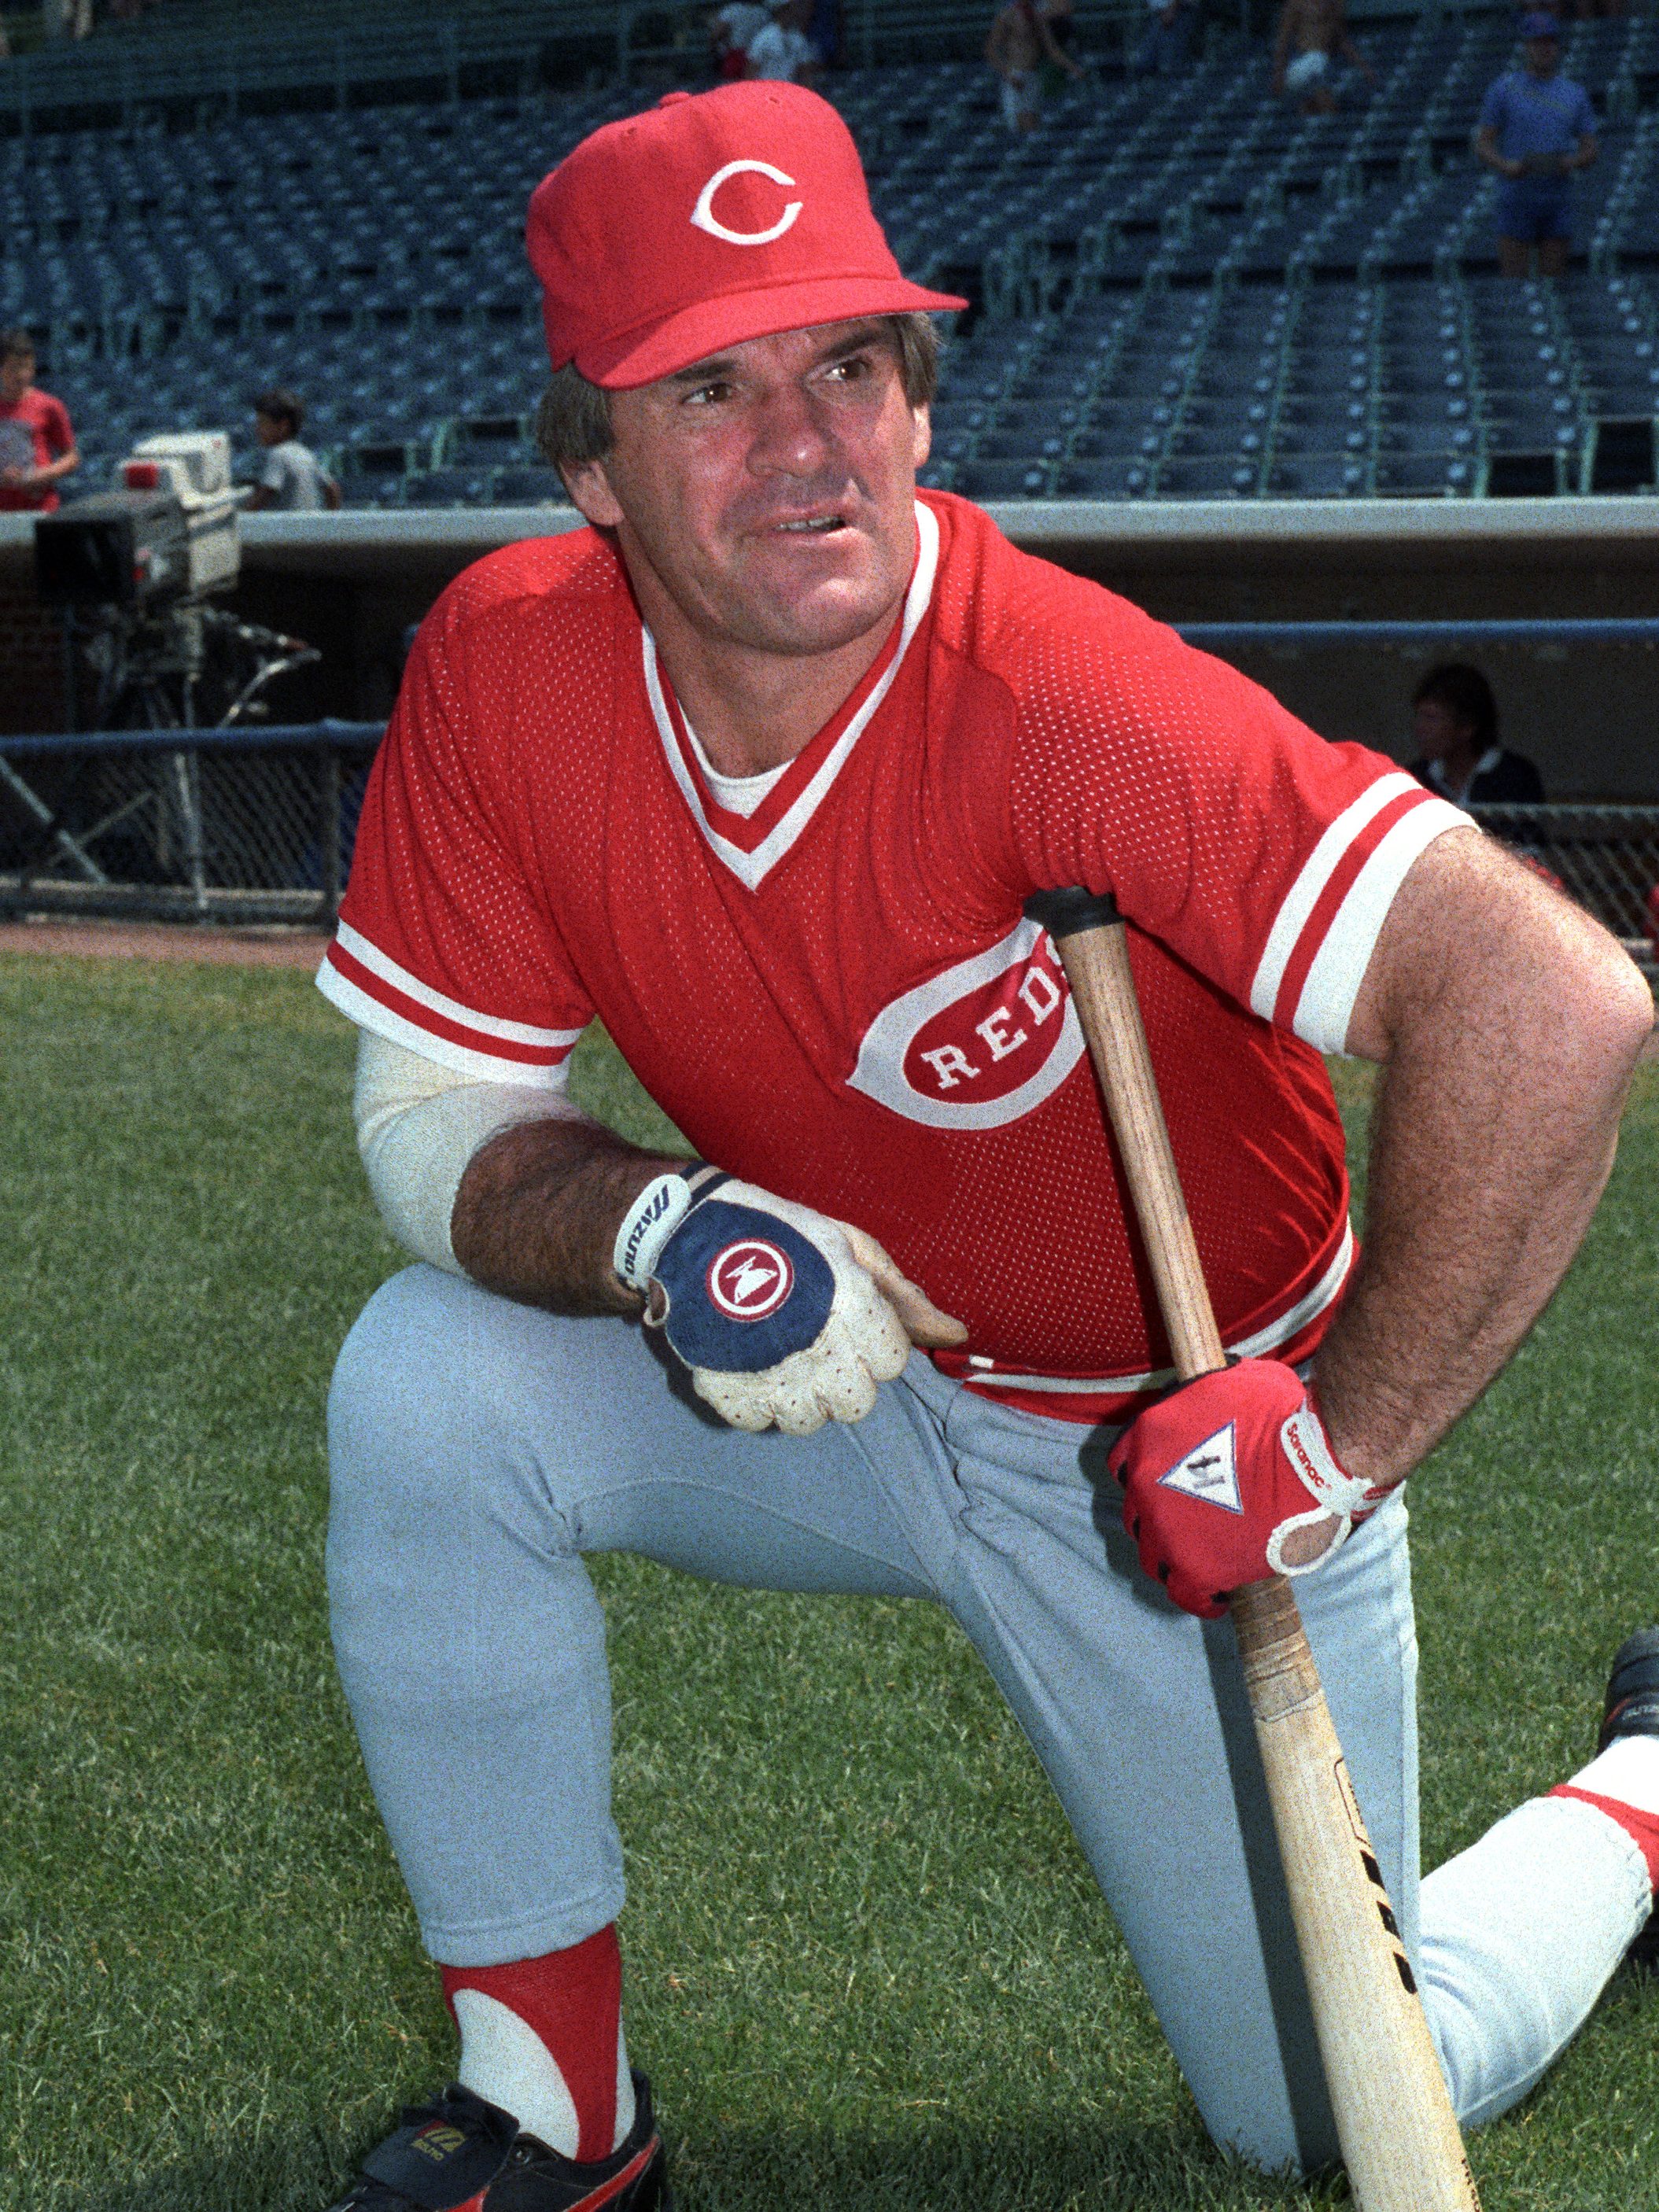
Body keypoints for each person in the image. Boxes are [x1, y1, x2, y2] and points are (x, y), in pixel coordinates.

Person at [314, 81, 1659, 2212]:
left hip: (1176, 1457)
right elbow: (438, 1112)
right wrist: (664, 1229)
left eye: (849, 365)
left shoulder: (1062, 694)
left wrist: (1326, 1448)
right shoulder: (507, 669)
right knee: (426, 1382)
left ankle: (1648, 1786)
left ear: (920, 406)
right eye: (709, 390)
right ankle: (556, 2109)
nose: (804, 441)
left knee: (1330, 2105)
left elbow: (1552, 1004)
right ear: (587, 466)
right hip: (854, 1375)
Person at [1477, 14, 1597, 280]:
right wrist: (1506, 166)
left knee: (1554, 285)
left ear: (1558, 47)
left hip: (1556, 197)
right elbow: (1483, 143)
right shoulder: (1504, 89)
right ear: (1526, 46)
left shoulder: (1574, 93)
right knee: (1514, 285)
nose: (1544, 48)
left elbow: (1591, 149)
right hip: (1516, 196)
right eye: (1537, 42)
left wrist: (1571, 162)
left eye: (1549, 42)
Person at [1408, 662, 1546, 806]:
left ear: (1468, 727)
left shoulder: (1515, 777)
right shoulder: (1416, 778)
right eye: (1419, 717)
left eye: (1431, 719)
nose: (1420, 728)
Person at [0, 330, 79, 513]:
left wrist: (41, 475)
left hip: (40, 507)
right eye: (13, 368)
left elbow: (71, 457)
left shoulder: (49, 406)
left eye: (27, 367)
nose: (21, 375)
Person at [986, 0, 1082, 131]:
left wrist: (1073, 68)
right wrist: (1008, 74)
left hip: (1033, 75)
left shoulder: (1037, 18)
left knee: (1032, 125)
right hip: (1015, 75)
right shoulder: (1007, 16)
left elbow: (1052, 49)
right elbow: (991, 50)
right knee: (1018, 125)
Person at [246, 389, 341, 513]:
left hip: (286, 525)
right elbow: (333, 489)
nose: (257, 429)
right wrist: (331, 520)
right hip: (309, 523)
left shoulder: (278, 454)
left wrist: (241, 516)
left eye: (262, 423)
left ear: (283, 426)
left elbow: (265, 494)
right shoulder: (305, 453)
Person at [1270, 0, 1373, 116]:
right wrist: (1278, 72)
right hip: (1306, 59)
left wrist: (1364, 68)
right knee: (1326, 105)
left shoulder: (1335, 5)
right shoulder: (1297, 4)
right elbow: (1284, 39)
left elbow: (1341, 40)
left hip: (1326, 61)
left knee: (1312, 107)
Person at [744, 0, 819, 83]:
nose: (791, 13)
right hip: (766, 87)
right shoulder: (764, 38)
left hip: (788, 88)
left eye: (791, 9)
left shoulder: (798, 38)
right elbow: (751, 70)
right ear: (779, 11)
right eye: (787, 9)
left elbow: (805, 71)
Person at [708, 0, 769, 80]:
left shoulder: (731, 10)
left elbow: (716, 34)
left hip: (735, 56)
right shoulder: (763, 13)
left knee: (732, 85)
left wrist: (714, 47)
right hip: (755, 57)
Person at [1134, 0, 1196, 78]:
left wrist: (1172, 9)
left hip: (1177, 14)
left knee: (1170, 64)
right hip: (1156, 14)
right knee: (1146, 60)